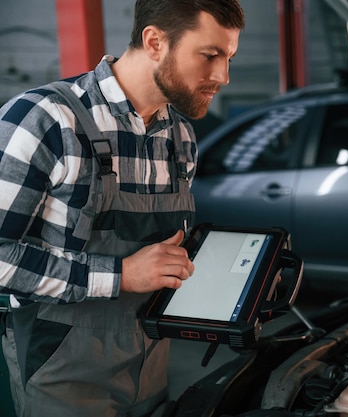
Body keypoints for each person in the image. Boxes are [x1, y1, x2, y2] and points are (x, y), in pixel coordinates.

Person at [0, 0, 244, 416]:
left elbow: (160, 258)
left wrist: (234, 286)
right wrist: (122, 275)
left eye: (229, 58)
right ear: (154, 42)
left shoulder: (180, 136)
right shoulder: (46, 120)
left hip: (151, 367)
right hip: (62, 373)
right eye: (210, 55)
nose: (222, 76)